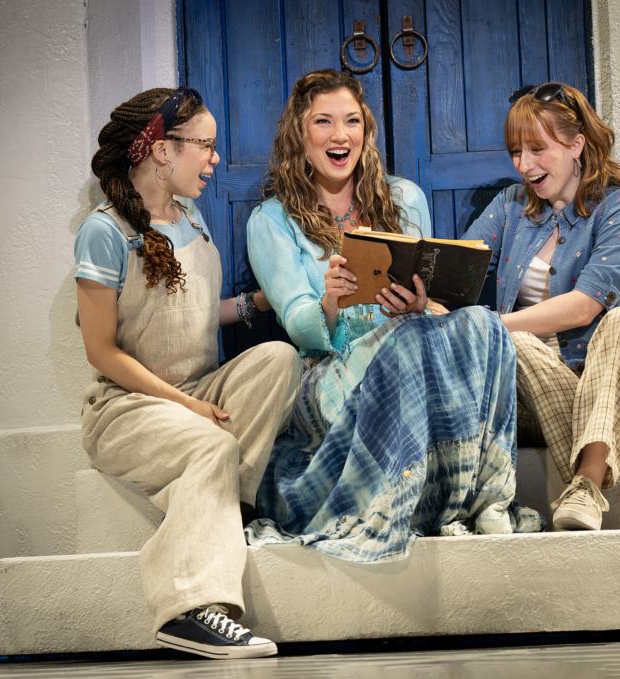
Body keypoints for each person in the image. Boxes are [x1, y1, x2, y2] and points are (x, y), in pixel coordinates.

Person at [245, 70, 538, 562]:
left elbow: (436, 301)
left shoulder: (404, 198)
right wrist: (331, 300)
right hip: (330, 374)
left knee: (481, 323)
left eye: (352, 121)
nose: (340, 135)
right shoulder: (272, 220)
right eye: (324, 121)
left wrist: (422, 303)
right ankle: (420, 504)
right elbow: (300, 327)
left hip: (411, 350)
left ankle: (484, 498)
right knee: (407, 341)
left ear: (366, 130)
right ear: (300, 133)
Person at [74, 87, 301, 659]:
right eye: (206, 145)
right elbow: (101, 351)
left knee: (279, 359)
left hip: (199, 387)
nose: (215, 159)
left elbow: (188, 313)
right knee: (211, 445)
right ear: (161, 149)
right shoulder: (104, 232)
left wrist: (259, 303)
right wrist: (186, 407)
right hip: (127, 407)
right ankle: (190, 611)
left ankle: (230, 510)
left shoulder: (191, 217)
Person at [463, 82, 620, 532]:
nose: (524, 165)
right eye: (516, 152)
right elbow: (459, 268)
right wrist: (425, 292)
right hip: (536, 395)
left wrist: (495, 323)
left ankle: (588, 479)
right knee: (515, 343)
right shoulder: (510, 207)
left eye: (537, 149)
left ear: (577, 144)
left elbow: (584, 308)